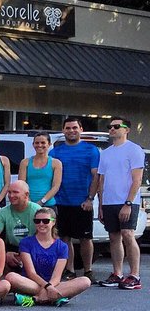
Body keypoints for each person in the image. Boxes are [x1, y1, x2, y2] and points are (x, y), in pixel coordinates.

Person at [49, 116, 100, 282]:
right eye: (68, 128)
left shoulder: (91, 150)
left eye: (74, 128)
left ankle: (88, 270)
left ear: (81, 129)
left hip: (83, 202)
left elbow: (96, 177)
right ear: (63, 130)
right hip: (62, 202)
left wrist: (90, 198)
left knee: (86, 238)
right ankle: (69, 270)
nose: (71, 131)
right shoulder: (55, 152)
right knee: (64, 238)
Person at [5, 207, 91, 306]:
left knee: (85, 281)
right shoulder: (26, 242)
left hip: (53, 284)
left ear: (53, 222)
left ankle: (35, 299)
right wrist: (47, 287)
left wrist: (50, 286)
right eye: (37, 221)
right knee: (11, 277)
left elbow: (56, 276)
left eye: (45, 221)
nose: (41, 224)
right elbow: (31, 273)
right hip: (32, 283)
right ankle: (54, 297)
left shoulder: (62, 246)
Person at [96, 116, 143, 289]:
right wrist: (101, 205)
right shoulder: (106, 153)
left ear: (127, 130)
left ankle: (135, 275)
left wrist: (128, 203)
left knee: (128, 235)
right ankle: (117, 273)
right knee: (113, 237)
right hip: (109, 202)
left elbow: (137, 180)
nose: (113, 129)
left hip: (127, 201)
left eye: (117, 126)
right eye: (110, 126)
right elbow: (101, 180)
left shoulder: (134, 150)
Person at [0, 180, 42, 270]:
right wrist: (4, 254)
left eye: (15, 192)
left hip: (34, 248)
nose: (11, 195)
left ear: (26, 195)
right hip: (13, 249)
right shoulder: (3, 212)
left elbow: (47, 238)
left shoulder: (37, 211)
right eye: (9, 192)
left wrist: (26, 254)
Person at [21, 132, 62, 209]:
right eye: (37, 143)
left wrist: (42, 201)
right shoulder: (25, 163)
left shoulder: (56, 163)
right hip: (28, 205)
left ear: (49, 144)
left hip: (49, 205)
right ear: (33, 144)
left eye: (43, 143)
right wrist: (29, 202)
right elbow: (22, 185)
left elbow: (56, 186)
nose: (39, 145)